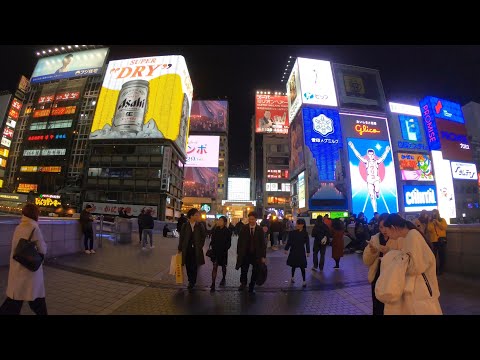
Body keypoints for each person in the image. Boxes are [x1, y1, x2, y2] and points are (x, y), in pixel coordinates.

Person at [380, 214, 442, 315]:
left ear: (393, 228)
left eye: (387, 231)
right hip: (420, 290)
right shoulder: (410, 235)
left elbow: (417, 266)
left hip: (421, 291)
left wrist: (393, 259)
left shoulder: (412, 236)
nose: (387, 235)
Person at [0, 204, 48, 315]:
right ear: (35, 214)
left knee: (16, 297)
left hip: (17, 267)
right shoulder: (34, 228)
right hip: (29, 269)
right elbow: (43, 249)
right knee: (35, 297)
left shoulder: (19, 227)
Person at [348, 141, 391, 213]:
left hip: (376, 179)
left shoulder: (377, 161)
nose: (371, 156)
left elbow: (383, 157)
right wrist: (353, 147)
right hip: (369, 180)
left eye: (372, 154)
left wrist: (386, 151)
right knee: (372, 196)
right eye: (369, 154)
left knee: (376, 190)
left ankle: (377, 192)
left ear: (374, 155)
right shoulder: (366, 162)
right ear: (368, 155)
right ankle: (375, 211)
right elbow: (358, 156)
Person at [363, 213, 389, 315]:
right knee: (377, 307)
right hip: (377, 277)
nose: (384, 230)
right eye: (381, 227)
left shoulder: (397, 239)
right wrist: (373, 251)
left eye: (386, 226)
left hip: (392, 279)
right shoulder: (375, 239)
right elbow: (366, 261)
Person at [236, 211, 266, 294]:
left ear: (256, 219)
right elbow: (240, 241)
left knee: (255, 271)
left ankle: (251, 286)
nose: (251, 221)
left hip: (256, 254)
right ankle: (243, 284)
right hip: (245, 254)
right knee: (244, 270)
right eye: (250, 219)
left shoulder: (260, 229)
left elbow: (263, 244)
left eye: (252, 219)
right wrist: (238, 253)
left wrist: (263, 256)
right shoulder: (244, 228)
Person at [178, 208, 207, 290]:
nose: (198, 216)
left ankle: (192, 282)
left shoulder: (200, 225)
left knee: (194, 265)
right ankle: (190, 279)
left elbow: (203, 236)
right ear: (191, 216)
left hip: (196, 249)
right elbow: (182, 238)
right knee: (188, 265)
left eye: (198, 215)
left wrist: (200, 245)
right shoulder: (185, 225)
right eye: (196, 215)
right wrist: (180, 248)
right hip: (187, 249)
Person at [285, 219, 310, 287]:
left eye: (299, 224)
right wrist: (286, 249)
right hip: (293, 250)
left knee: (302, 266)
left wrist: (308, 251)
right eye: (297, 224)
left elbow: (307, 243)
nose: (297, 225)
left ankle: (304, 281)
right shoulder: (293, 232)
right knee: (293, 265)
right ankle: (292, 277)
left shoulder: (305, 233)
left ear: (303, 225)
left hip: (301, 251)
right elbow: (289, 241)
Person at [209, 216, 232, 292]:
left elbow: (229, 243)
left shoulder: (228, 231)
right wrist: (212, 245)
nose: (219, 222)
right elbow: (212, 239)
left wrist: (225, 249)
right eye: (219, 220)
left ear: (225, 222)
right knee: (215, 266)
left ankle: (223, 278)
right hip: (215, 252)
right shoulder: (215, 229)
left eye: (221, 220)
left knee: (223, 266)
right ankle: (213, 284)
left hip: (223, 252)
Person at [426, 209, 448, 275]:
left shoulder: (442, 220)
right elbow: (430, 230)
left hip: (441, 240)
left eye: (435, 213)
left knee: (442, 256)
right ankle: (434, 270)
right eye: (433, 213)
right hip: (434, 241)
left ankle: (441, 270)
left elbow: (444, 227)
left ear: (438, 214)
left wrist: (437, 222)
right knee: (433, 256)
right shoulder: (430, 221)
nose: (434, 215)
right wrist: (433, 223)